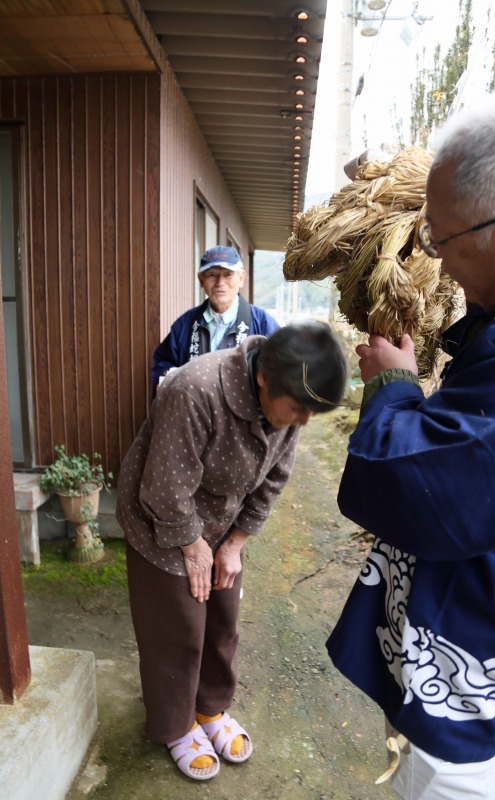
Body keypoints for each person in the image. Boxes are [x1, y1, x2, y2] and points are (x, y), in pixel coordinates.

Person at [326, 85, 495, 799]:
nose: (436, 263)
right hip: (466, 626)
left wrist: (393, 386)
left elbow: (417, 487)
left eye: (441, 241)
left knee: (450, 775)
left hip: (473, 650)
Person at [117, 322, 347, 782]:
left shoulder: (288, 404)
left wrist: (235, 543)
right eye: (299, 410)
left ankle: (210, 709)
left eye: (310, 416)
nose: (302, 422)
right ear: (263, 378)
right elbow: (163, 489)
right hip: (161, 517)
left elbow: (277, 474)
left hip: (223, 519)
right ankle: (177, 725)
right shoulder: (195, 390)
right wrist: (192, 545)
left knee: (222, 619)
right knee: (177, 628)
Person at [151, 245, 279, 393]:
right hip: (195, 413)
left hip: (246, 414)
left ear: (241, 278)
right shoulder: (185, 324)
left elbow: (281, 368)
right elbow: (163, 363)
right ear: (201, 280)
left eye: (228, 274)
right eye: (212, 274)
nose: (220, 282)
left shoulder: (263, 323)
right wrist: (166, 377)